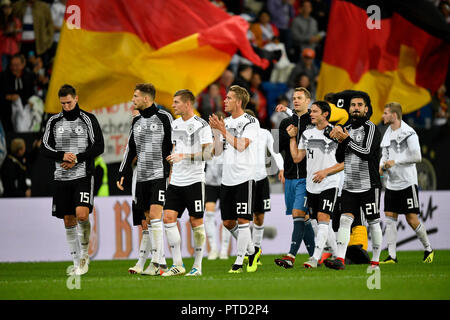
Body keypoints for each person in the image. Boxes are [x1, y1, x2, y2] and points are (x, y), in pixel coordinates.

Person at [40, 84, 104, 276]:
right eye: (63, 103)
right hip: (61, 177)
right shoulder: (53, 121)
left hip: (83, 175)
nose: (66, 106)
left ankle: (85, 255)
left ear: (76, 99)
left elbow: (98, 146)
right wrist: (62, 156)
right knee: (68, 219)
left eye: (69, 102)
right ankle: (76, 263)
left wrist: (76, 158)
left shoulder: (88, 119)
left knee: (82, 215)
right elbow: (44, 147)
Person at [117, 83, 172, 276]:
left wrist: (172, 170)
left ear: (146, 99)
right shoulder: (136, 121)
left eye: (135, 96)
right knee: (148, 219)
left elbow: (173, 145)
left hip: (159, 174)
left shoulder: (165, 117)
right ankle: (157, 262)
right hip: (141, 177)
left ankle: (159, 262)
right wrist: (122, 171)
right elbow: (130, 148)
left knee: (156, 215)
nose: (133, 100)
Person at [325, 93, 383, 270]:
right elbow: (339, 156)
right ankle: (340, 259)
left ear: (366, 109)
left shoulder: (371, 128)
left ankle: (375, 260)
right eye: (353, 105)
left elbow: (366, 153)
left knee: (373, 221)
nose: (356, 108)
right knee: (344, 220)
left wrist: (346, 139)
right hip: (350, 184)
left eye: (359, 105)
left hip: (368, 183)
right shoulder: (346, 127)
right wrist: (340, 141)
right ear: (349, 109)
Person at [209, 85, 262, 273]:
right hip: (227, 179)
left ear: (239, 102)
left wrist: (223, 131)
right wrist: (216, 132)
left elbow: (241, 146)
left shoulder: (251, 122)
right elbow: (216, 152)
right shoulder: (226, 122)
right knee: (228, 223)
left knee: (243, 220)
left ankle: (239, 262)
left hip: (244, 177)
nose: (225, 101)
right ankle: (252, 250)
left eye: (229, 98)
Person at [161, 89, 213, 277]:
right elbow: (176, 149)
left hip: (194, 181)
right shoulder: (175, 124)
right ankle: (178, 264)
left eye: (176, 102)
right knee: (168, 218)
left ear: (187, 104)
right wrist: (171, 174)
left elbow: (208, 154)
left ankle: (197, 266)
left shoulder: (202, 125)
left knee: (195, 222)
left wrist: (184, 156)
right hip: (176, 181)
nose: (173, 105)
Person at [286, 101, 343, 268]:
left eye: (315, 111)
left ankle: (315, 258)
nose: (311, 114)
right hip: (311, 185)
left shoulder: (335, 132)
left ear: (325, 114)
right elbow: (297, 158)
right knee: (317, 223)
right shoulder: (307, 134)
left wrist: (326, 172)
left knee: (323, 218)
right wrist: (291, 138)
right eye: (311, 111)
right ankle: (339, 257)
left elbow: (345, 162)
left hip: (329, 182)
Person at [380, 102, 434, 264]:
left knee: (411, 219)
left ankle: (428, 248)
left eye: (385, 113)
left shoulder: (409, 133)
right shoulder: (387, 133)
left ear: (394, 115)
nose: (382, 116)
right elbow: (384, 155)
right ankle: (392, 256)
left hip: (407, 183)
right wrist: (381, 167)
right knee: (389, 217)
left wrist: (395, 161)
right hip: (392, 183)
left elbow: (417, 157)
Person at [273, 87, 315, 269]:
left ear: (308, 101)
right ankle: (316, 255)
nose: (296, 100)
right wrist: (281, 167)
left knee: (299, 214)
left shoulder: (313, 123)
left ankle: (290, 256)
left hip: (307, 177)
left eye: (300, 98)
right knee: (301, 217)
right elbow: (278, 149)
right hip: (289, 176)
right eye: (294, 98)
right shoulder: (285, 123)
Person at [244, 109, 284, 263]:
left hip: (261, 180)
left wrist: (281, 168)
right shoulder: (237, 134)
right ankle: (249, 250)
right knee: (243, 219)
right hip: (243, 180)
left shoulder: (265, 134)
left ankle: (257, 250)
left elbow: (275, 152)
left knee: (259, 216)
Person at [204, 111, 232, 261]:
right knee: (209, 213)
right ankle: (213, 248)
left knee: (227, 216)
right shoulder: (206, 136)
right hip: (210, 182)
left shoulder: (229, 137)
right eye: (212, 121)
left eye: (217, 121)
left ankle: (224, 250)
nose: (214, 123)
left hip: (226, 181)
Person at [0, 0, 22, 71]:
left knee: (15, 71)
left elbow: (19, 38)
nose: (7, 9)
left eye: (9, 7)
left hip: (14, 51)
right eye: (5, 7)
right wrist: (5, 32)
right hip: (3, 50)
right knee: (4, 72)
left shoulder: (16, 21)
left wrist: (15, 33)